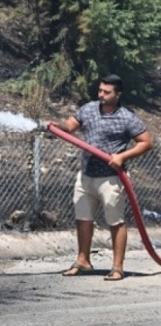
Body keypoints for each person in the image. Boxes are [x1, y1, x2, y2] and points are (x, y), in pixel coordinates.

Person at [47, 74, 153, 281]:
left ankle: (117, 267)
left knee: (116, 222)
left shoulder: (126, 117)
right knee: (83, 220)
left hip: (112, 178)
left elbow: (146, 142)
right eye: (100, 90)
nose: (101, 95)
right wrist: (56, 126)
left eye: (107, 92)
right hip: (86, 175)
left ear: (118, 94)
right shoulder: (88, 109)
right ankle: (83, 261)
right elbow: (70, 126)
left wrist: (122, 156)